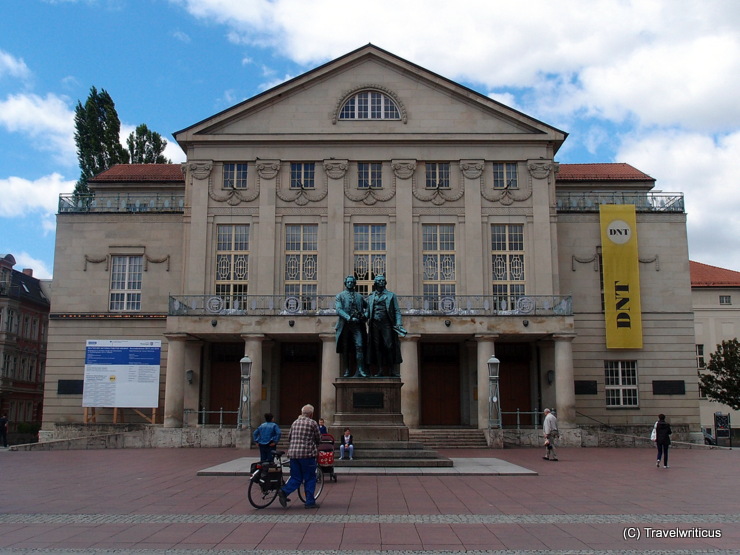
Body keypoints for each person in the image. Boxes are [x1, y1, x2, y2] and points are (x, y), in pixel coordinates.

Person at [278, 404, 322, 509]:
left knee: (296, 477)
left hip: (293, 454)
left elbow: (289, 437)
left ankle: (284, 491)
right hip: (307, 455)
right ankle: (310, 502)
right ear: (311, 414)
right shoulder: (312, 423)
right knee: (310, 477)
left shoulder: (295, 422)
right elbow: (318, 438)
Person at [366, 275, 405, 377]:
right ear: (375, 282)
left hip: (386, 323)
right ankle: (380, 370)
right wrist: (362, 317)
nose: (381, 282)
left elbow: (397, 310)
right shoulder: (371, 296)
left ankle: (392, 369)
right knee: (377, 347)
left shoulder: (391, 295)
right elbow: (368, 311)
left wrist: (399, 323)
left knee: (389, 346)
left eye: (383, 280)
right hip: (374, 324)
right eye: (379, 281)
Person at [335, 275, 368, 377]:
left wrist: (364, 316)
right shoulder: (340, 296)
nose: (350, 284)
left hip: (357, 325)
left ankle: (361, 369)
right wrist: (348, 317)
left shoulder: (359, 296)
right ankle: (347, 370)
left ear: (354, 284)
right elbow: (338, 309)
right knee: (346, 349)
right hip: (345, 325)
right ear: (346, 283)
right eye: (348, 282)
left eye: (352, 282)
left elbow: (368, 307)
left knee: (359, 346)